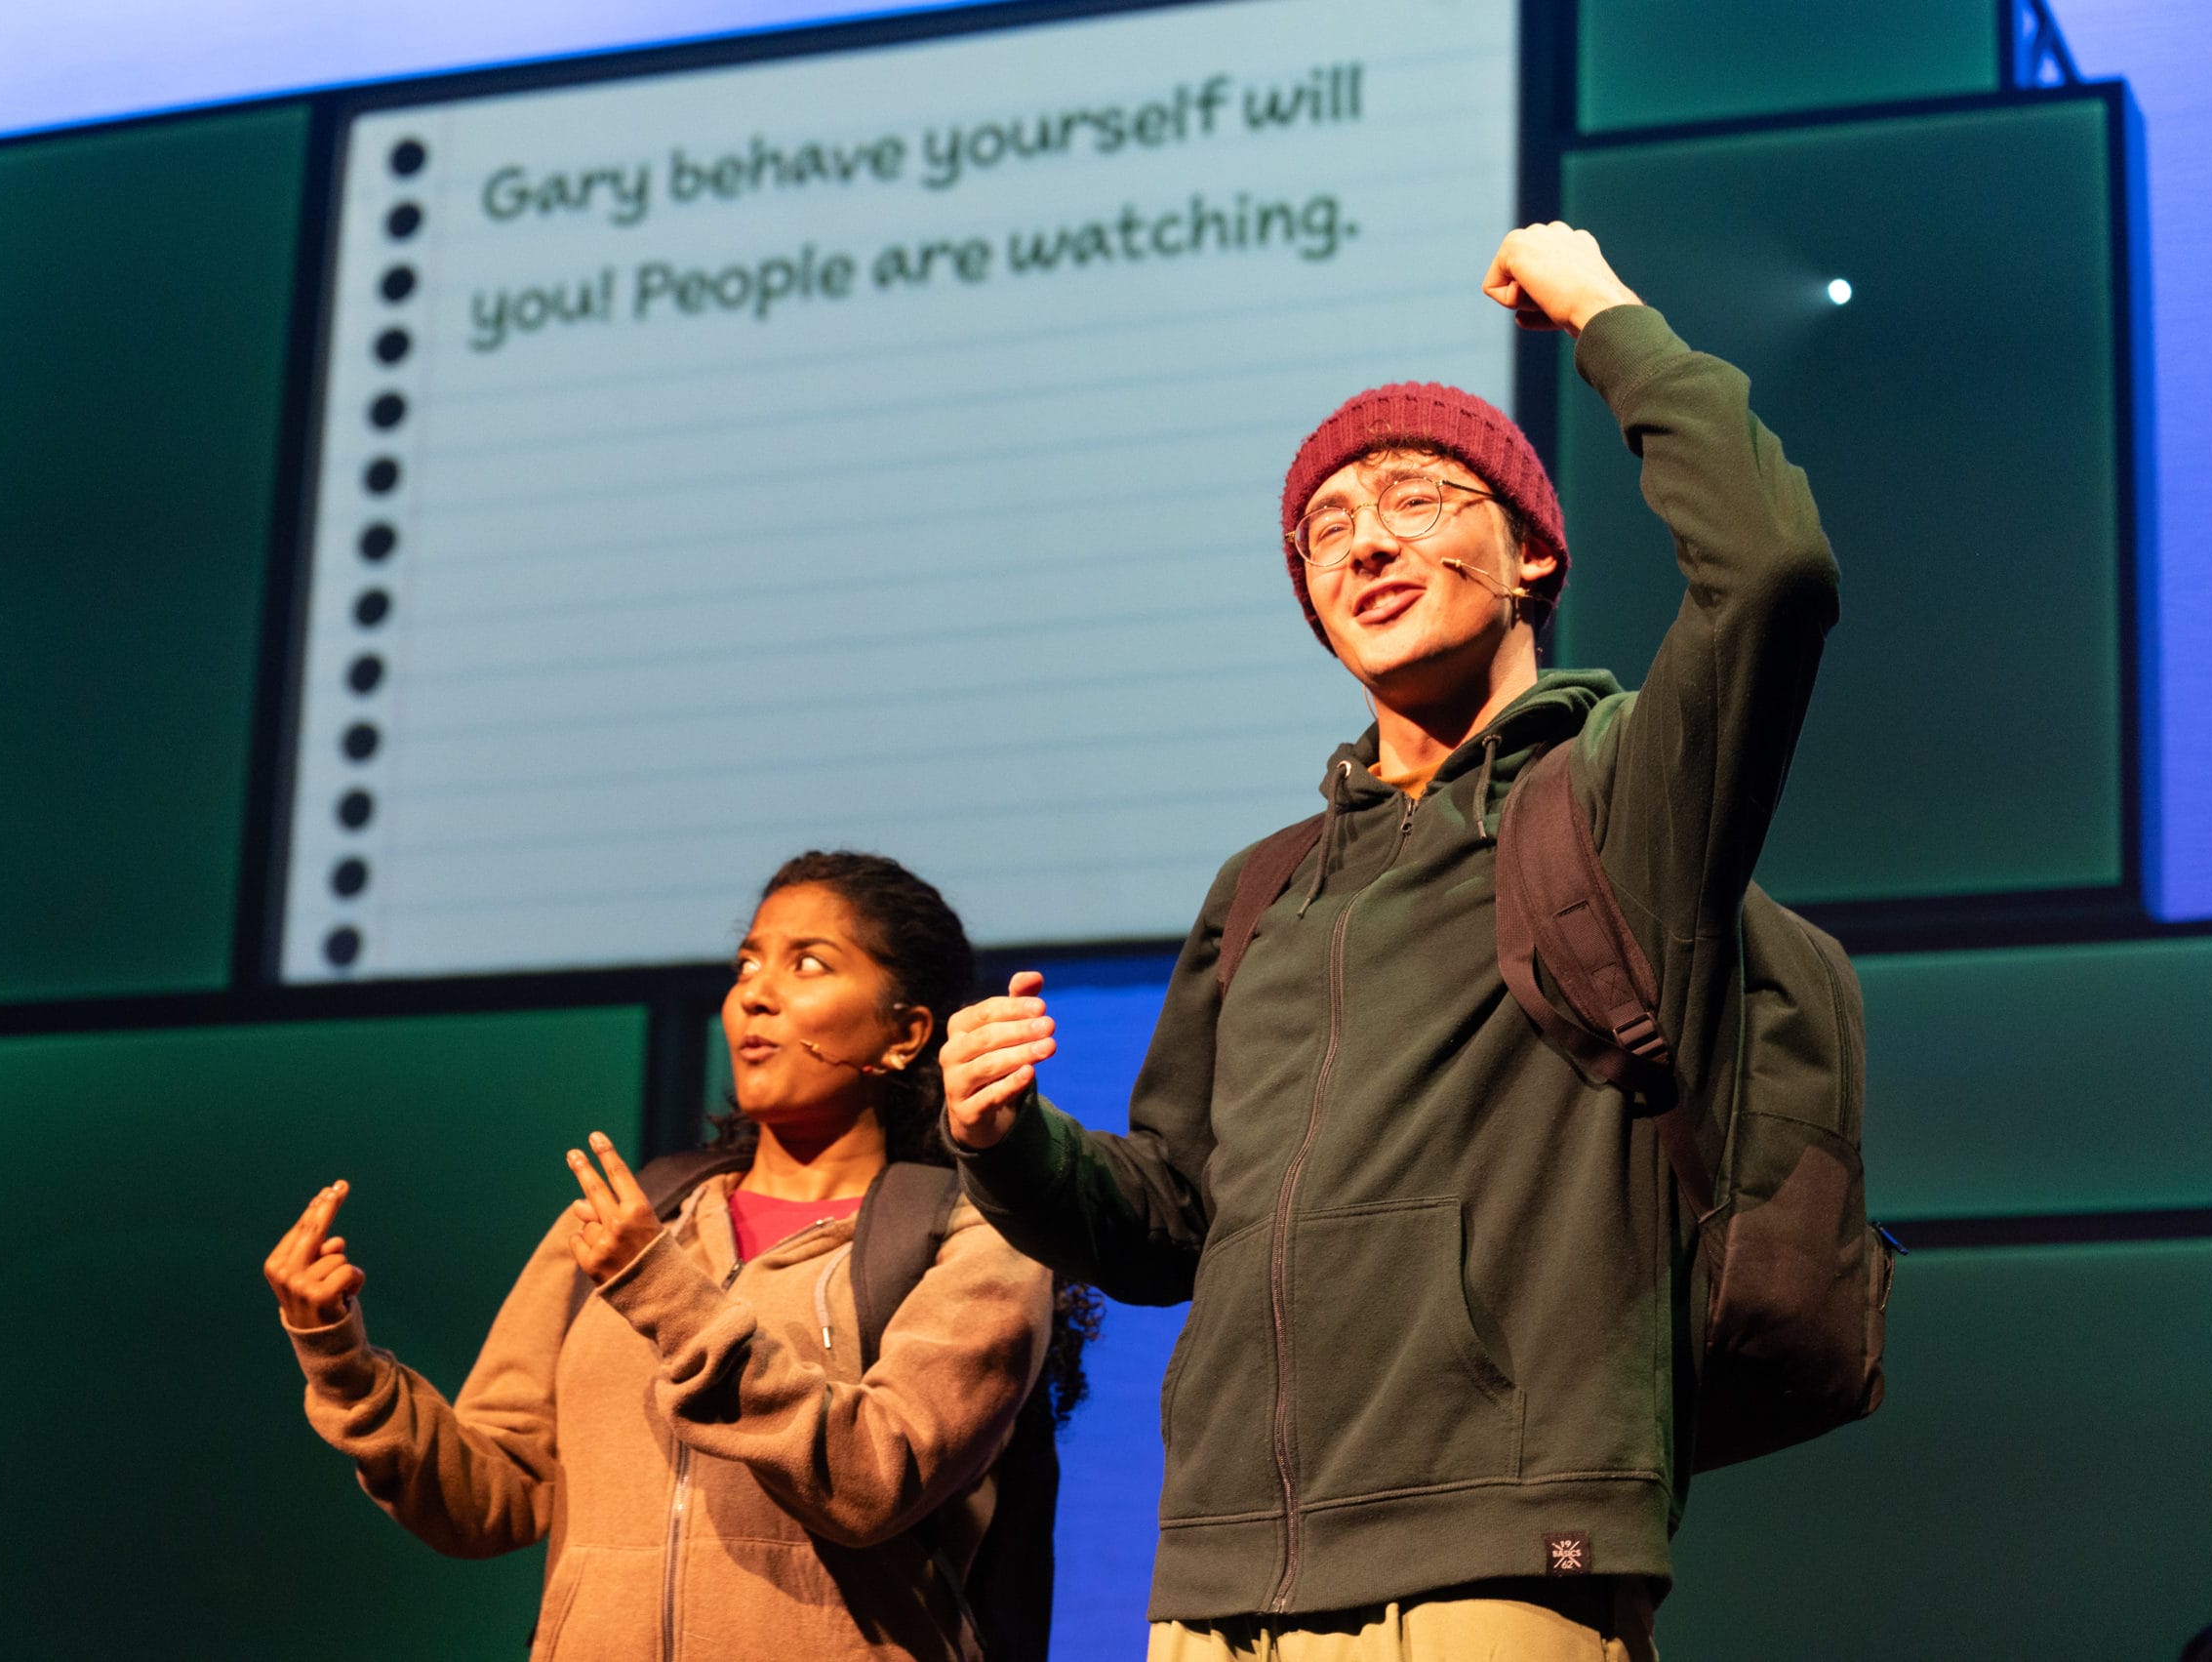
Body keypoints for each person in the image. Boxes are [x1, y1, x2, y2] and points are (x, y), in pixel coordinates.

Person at [940, 223, 1838, 1661]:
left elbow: (1772, 564)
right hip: (1221, 1583)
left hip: (1498, 1551)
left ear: (1532, 549)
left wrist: (1600, 310)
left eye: (1419, 497)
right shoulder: (1265, 883)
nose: (1364, 539)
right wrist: (1007, 1141)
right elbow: (1172, 1219)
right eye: (1327, 528)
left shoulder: (1617, 797)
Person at [263, 851, 1065, 1662]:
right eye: (746, 963)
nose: (754, 992)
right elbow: (491, 1494)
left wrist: (659, 1289)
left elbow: (872, 1477)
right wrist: (342, 1362)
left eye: (808, 963)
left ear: (906, 1032)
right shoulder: (640, 1219)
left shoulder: (972, 1232)